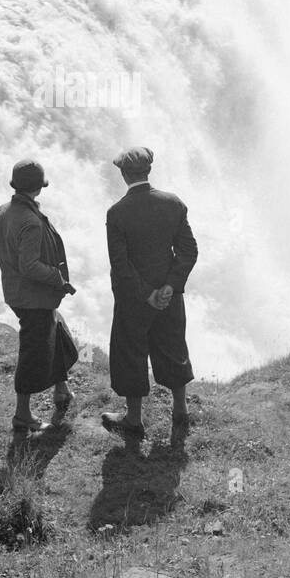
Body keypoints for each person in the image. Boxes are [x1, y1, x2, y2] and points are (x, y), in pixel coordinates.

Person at [103, 147, 198, 443]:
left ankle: (133, 419)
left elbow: (120, 264)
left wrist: (147, 295)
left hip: (134, 298)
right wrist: (170, 286)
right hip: (170, 296)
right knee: (172, 345)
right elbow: (188, 251)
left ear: (123, 173)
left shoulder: (117, 213)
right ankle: (180, 409)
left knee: (131, 350)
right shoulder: (173, 203)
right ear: (149, 170)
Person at [0, 158, 78, 434]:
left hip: (15, 292)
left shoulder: (3, 211)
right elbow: (30, 266)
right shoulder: (30, 221)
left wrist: (10, 263)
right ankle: (22, 415)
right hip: (32, 297)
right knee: (32, 352)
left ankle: (62, 389)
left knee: (56, 328)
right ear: (39, 187)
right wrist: (58, 279)